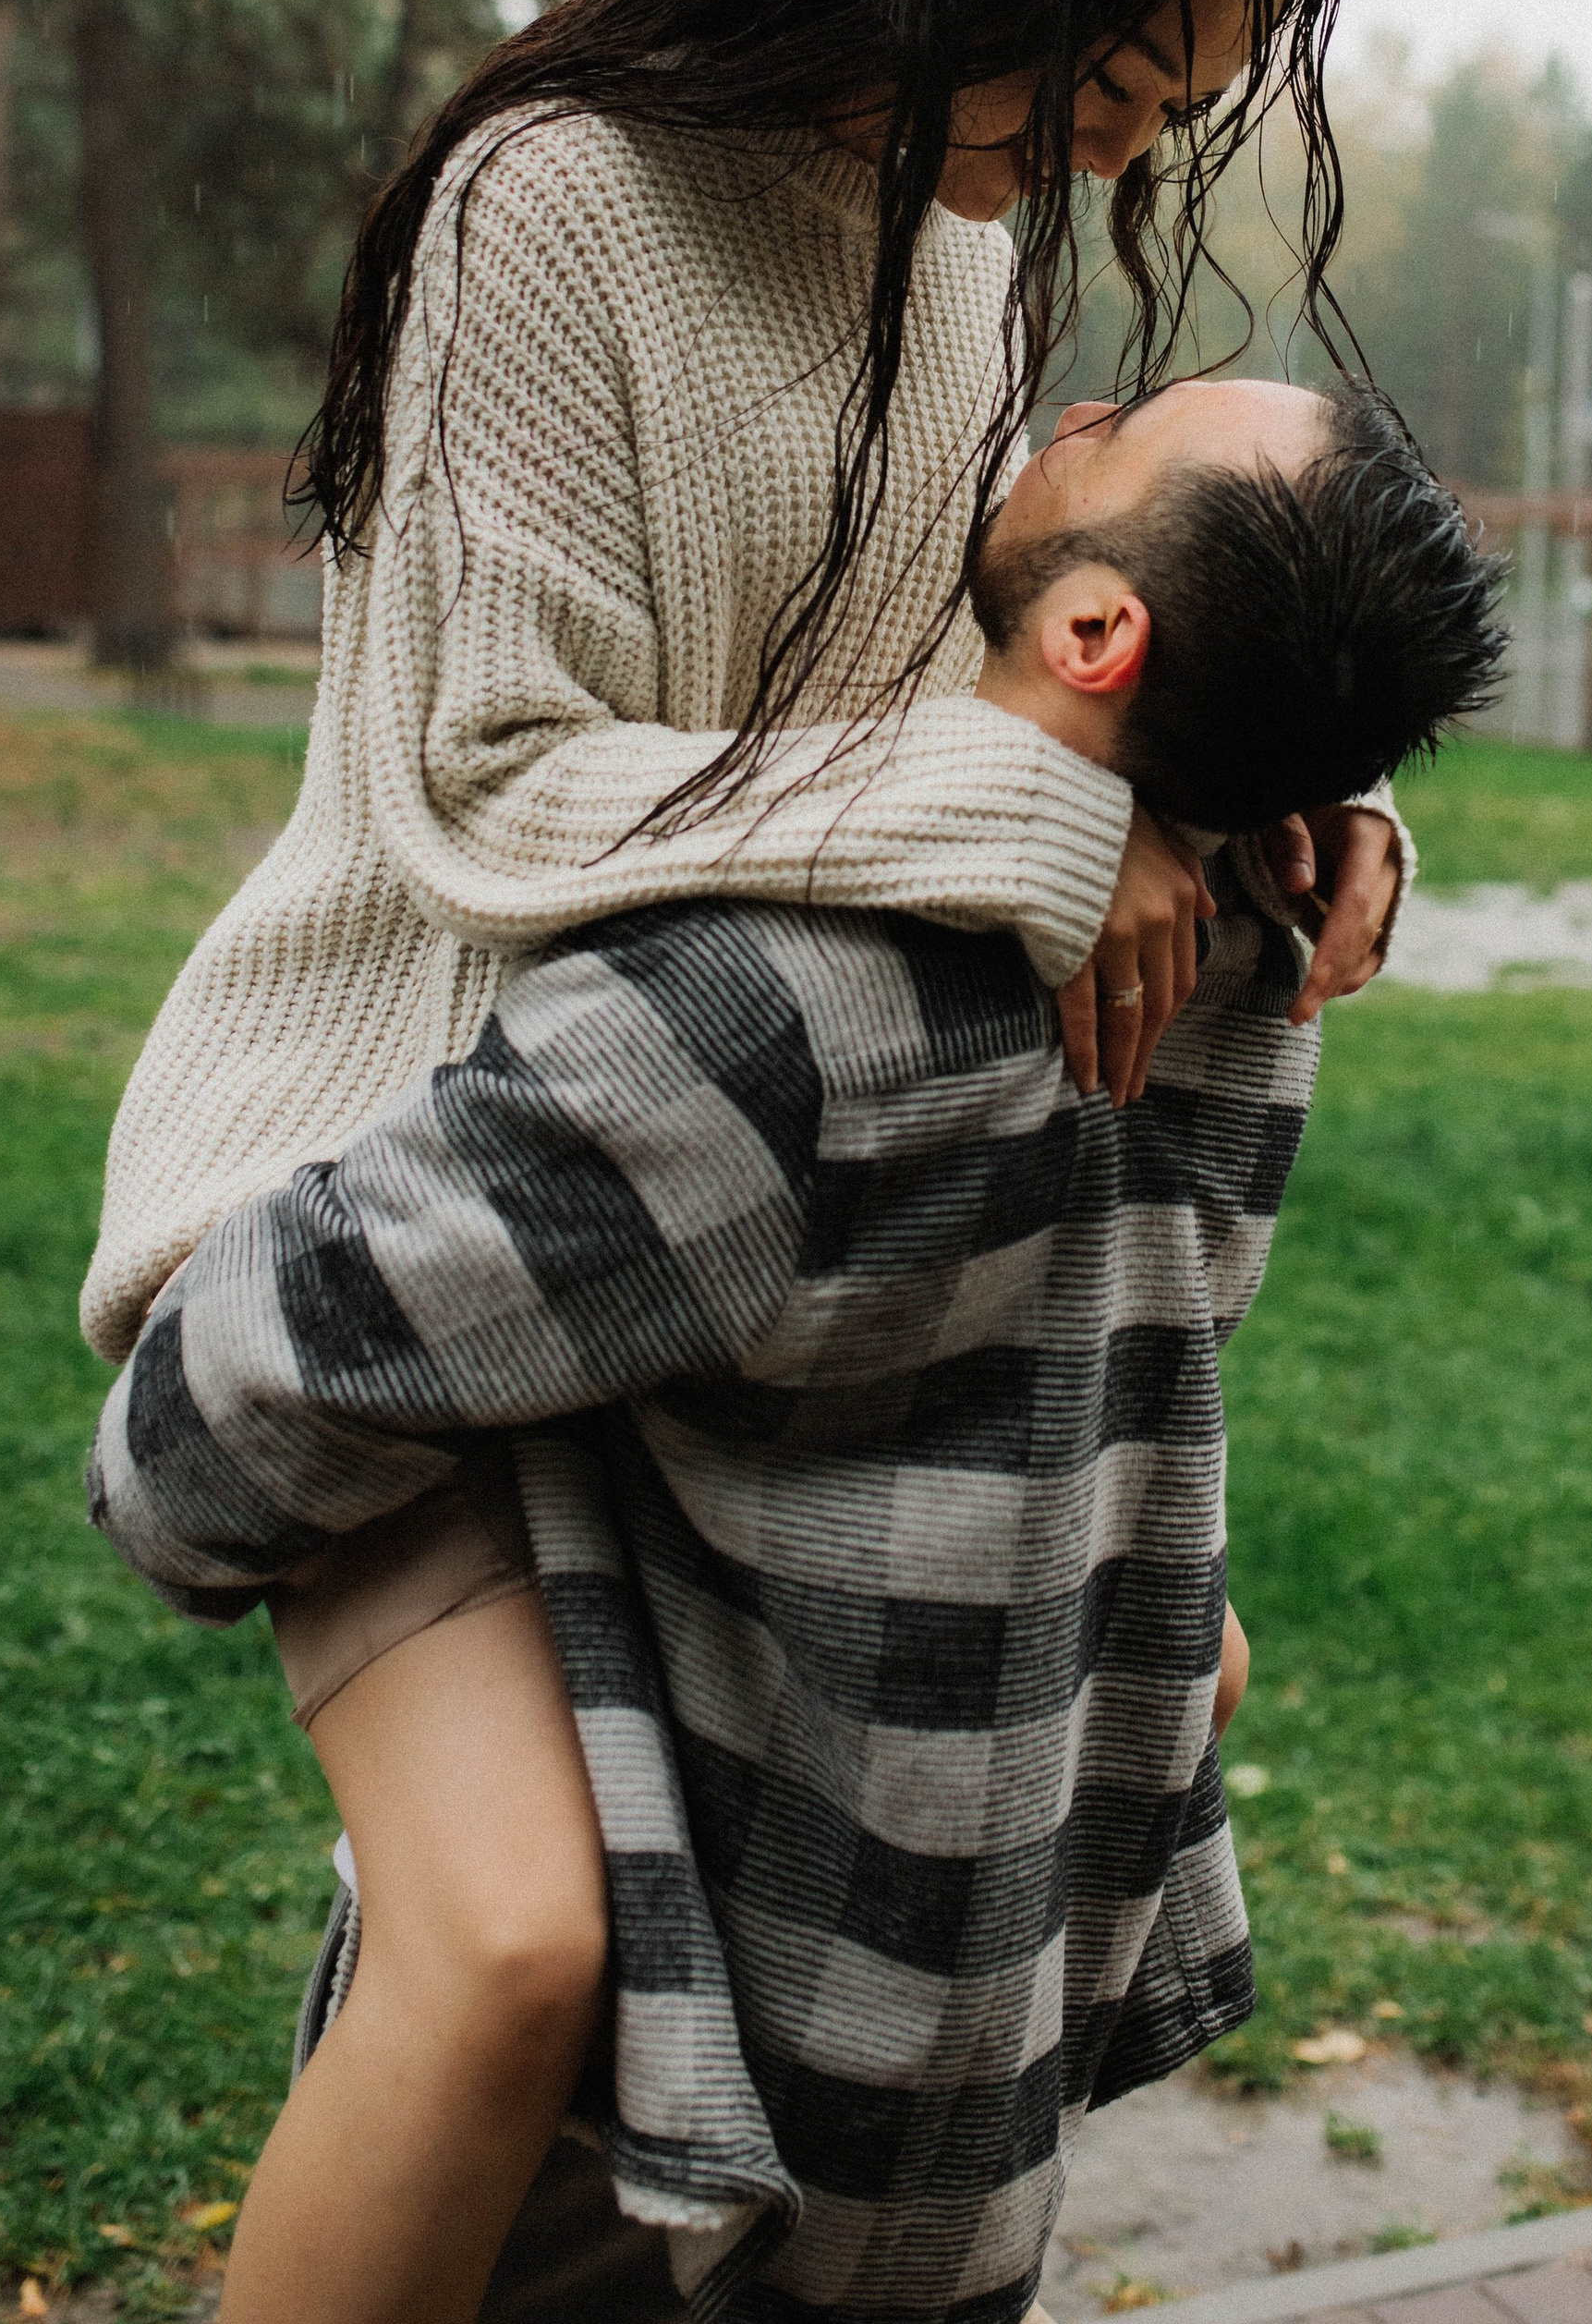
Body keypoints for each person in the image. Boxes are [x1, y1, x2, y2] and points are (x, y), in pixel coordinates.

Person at [92, 373, 1506, 2324]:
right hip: (966, 2033)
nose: (1070, 399)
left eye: (1121, 426)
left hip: (677, 2089)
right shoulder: (1251, 950)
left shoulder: (771, 1017)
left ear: (1101, 635)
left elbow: (225, 1419)